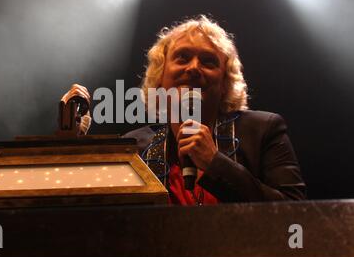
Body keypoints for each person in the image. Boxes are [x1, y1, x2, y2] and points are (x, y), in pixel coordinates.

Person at [61, 15, 306, 204]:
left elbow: (296, 215)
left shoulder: (263, 130)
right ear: (160, 77)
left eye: (208, 61)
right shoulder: (133, 145)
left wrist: (216, 164)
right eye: (182, 57)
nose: (193, 68)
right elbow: (93, 217)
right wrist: (70, 145)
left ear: (225, 83)